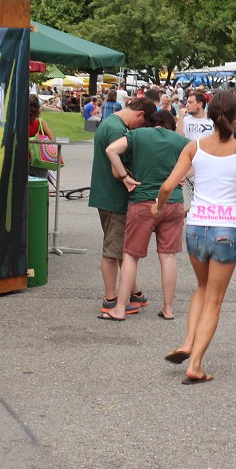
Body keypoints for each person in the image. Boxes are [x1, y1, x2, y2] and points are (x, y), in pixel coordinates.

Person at [154, 91, 236, 385]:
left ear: (209, 115)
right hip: (227, 229)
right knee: (214, 299)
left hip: (196, 227)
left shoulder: (194, 147)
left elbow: (167, 186)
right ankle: (196, 364)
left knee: (201, 287)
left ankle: (188, 341)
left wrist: (158, 206)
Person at [101, 110, 188, 321]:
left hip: (143, 201)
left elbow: (111, 150)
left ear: (152, 123)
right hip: (173, 202)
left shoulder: (137, 136)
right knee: (168, 256)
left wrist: (125, 176)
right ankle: (168, 309)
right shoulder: (181, 141)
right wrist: (181, 176)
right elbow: (198, 163)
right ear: (171, 123)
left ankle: (120, 308)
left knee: (131, 255)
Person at [88, 96, 157, 314]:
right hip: (116, 197)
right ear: (140, 115)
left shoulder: (109, 122)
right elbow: (119, 170)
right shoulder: (119, 131)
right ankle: (110, 298)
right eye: (143, 124)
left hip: (105, 195)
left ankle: (134, 292)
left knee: (120, 248)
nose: (142, 129)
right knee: (113, 249)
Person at [27, 94, 55, 179]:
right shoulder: (40, 122)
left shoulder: (19, 122)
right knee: (40, 184)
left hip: (22, 158)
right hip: (39, 159)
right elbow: (52, 140)